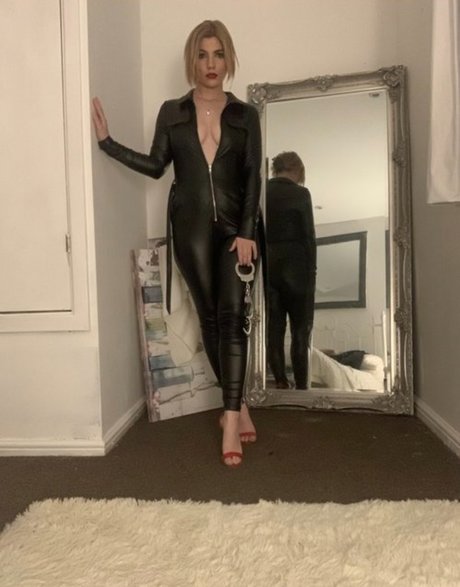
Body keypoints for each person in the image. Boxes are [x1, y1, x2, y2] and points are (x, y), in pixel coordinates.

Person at [91, 20, 261, 467]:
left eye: (218, 54)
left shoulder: (245, 115)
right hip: (190, 228)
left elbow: (252, 176)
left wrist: (247, 230)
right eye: (203, 55)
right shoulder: (172, 112)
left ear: (228, 58)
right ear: (193, 60)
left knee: (233, 316)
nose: (211, 64)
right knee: (210, 318)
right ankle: (239, 404)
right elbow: (156, 165)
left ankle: (229, 419)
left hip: (236, 230)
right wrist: (108, 144)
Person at [266, 152, 316, 389]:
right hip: (297, 268)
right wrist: (312, 272)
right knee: (300, 332)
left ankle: (280, 382)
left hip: (269, 267)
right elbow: (308, 237)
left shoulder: (262, 192)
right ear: (298, 170)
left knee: (274, 331)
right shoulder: (301, 194)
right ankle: (302, 388)